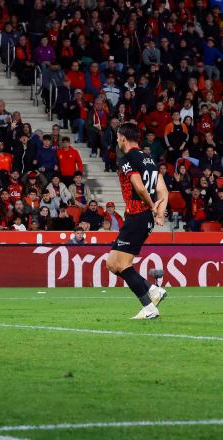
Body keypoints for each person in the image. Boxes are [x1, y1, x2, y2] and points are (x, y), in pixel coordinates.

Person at [106, 123, 169, 320]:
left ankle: (149, 306)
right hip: (144, 219)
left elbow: (140, 188)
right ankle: (152, 291)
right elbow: (163, 191)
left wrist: (151, 206)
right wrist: (159, 213)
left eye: (118, 137)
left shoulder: (127, 159)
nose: (117, 140)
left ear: (123, 138)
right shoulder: (150, 159)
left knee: (119, 264)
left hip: (137, 216)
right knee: (114, 264)